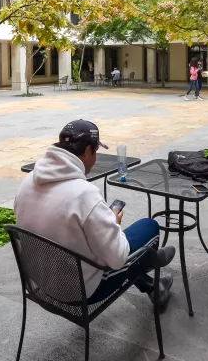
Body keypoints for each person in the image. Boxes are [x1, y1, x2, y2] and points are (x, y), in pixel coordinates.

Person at [14, 120, 176, 307]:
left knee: (102, 239)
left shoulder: (27, 182)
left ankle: (153, 286)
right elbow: (118, 259)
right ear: (88, 150)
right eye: (96, 152)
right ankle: (150, 259)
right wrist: (113, 225)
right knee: (149, 227)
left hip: (41, 281)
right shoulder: (84, 194)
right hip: (82, 291)